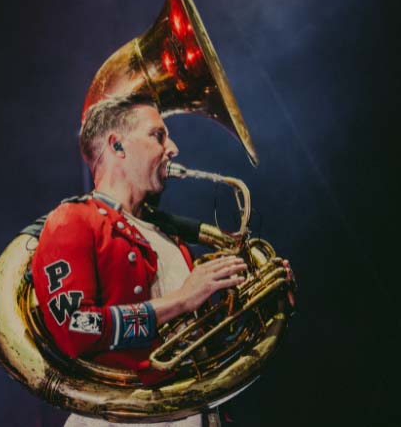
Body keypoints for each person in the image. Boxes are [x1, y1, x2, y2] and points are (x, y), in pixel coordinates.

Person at [31, 94, 250, 427]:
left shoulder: (170, 239)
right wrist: (180, 300)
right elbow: (75, 327)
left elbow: (196, 345)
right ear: (117, 146)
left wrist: (256, 307)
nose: (173, 148)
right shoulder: (72, 219)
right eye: (158, 135)